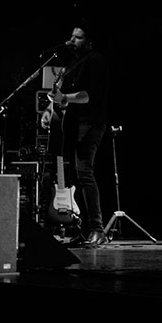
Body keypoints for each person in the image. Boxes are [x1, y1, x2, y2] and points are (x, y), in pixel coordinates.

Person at [40, 22, 111, 247]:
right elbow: (59, 93)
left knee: (84, 172)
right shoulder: (73, 63)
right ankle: (83, 228)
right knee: (73, 176)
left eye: (78, 37)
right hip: (71, 123)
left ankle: (98, 229)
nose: (72, 41)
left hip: (90, 122)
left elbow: (88, 96)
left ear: (89, 41)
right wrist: (49, 109)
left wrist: (64, 99)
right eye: (71, 36)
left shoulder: (95, 60)